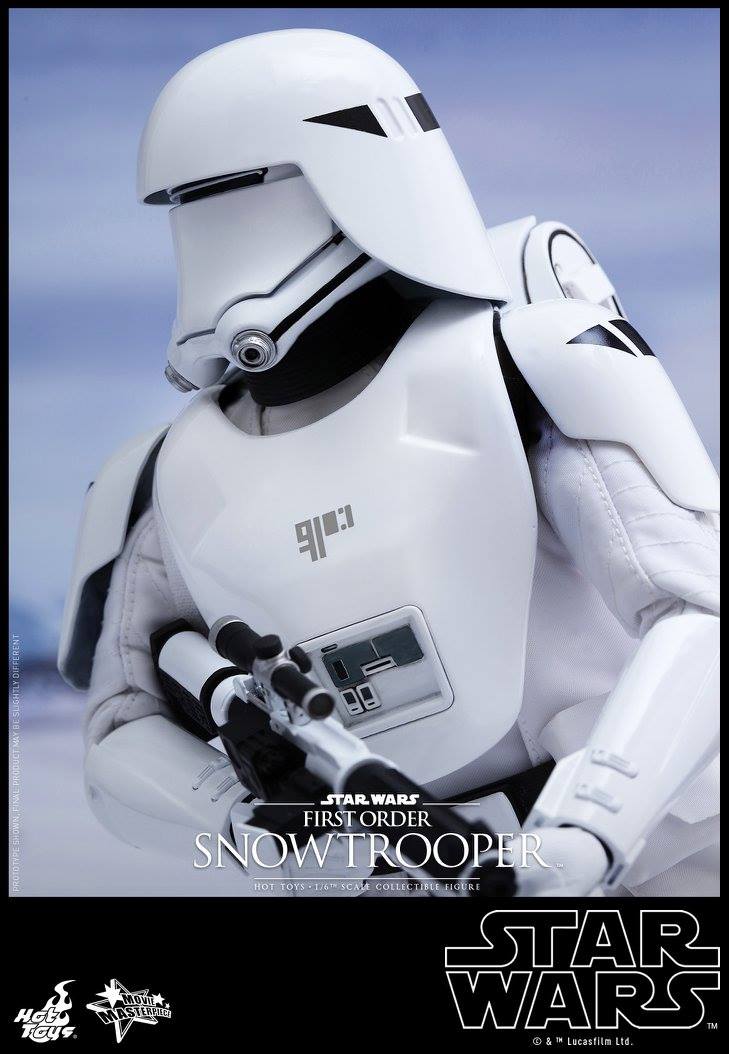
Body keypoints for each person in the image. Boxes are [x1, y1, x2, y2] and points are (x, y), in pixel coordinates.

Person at [59, 30, 719, 896]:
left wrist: (589, 831)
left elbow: (699, 615)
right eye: (188, 200)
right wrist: (245, 812)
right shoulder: (167, 478)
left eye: (224, 192)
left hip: (649, 868)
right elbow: (117, 737)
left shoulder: (519, 369)